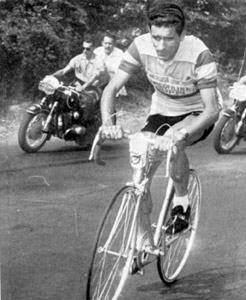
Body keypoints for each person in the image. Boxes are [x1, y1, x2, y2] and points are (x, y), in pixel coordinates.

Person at [98, 1, 220, 236]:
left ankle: (182, 204)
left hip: (196, 111)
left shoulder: (200, 54)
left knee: (173, 140)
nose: (161, 46)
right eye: (156, 38)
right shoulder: (140, 46)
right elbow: (111, 89)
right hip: (162, 109)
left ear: (182, 35)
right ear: (148, 32)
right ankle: (143, 239)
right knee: (142, 168)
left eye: (169, 39)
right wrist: (107, 123)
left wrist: (181, 134)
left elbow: (212, 110)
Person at [52, 37, 108, 134]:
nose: (85, 51)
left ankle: (82, 125)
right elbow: (64, 70)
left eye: (88, 49)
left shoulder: (99, 61)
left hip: (93, 88)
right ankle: (63, 121)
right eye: (83, 48)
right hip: (77, 84)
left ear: (94, 48)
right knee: (62, 96)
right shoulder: (78, 58)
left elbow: (94, 77)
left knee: (86, 102)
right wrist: (51, 76)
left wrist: (83, 87)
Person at [94, 32, 127, 97]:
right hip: (99, 77)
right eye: (106, 43)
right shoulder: (97, 51)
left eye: (110, 44)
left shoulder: (119, 53)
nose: (107, 46)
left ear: (114, 44)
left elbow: (117, 70)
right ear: (102, 43)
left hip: (112, 78)